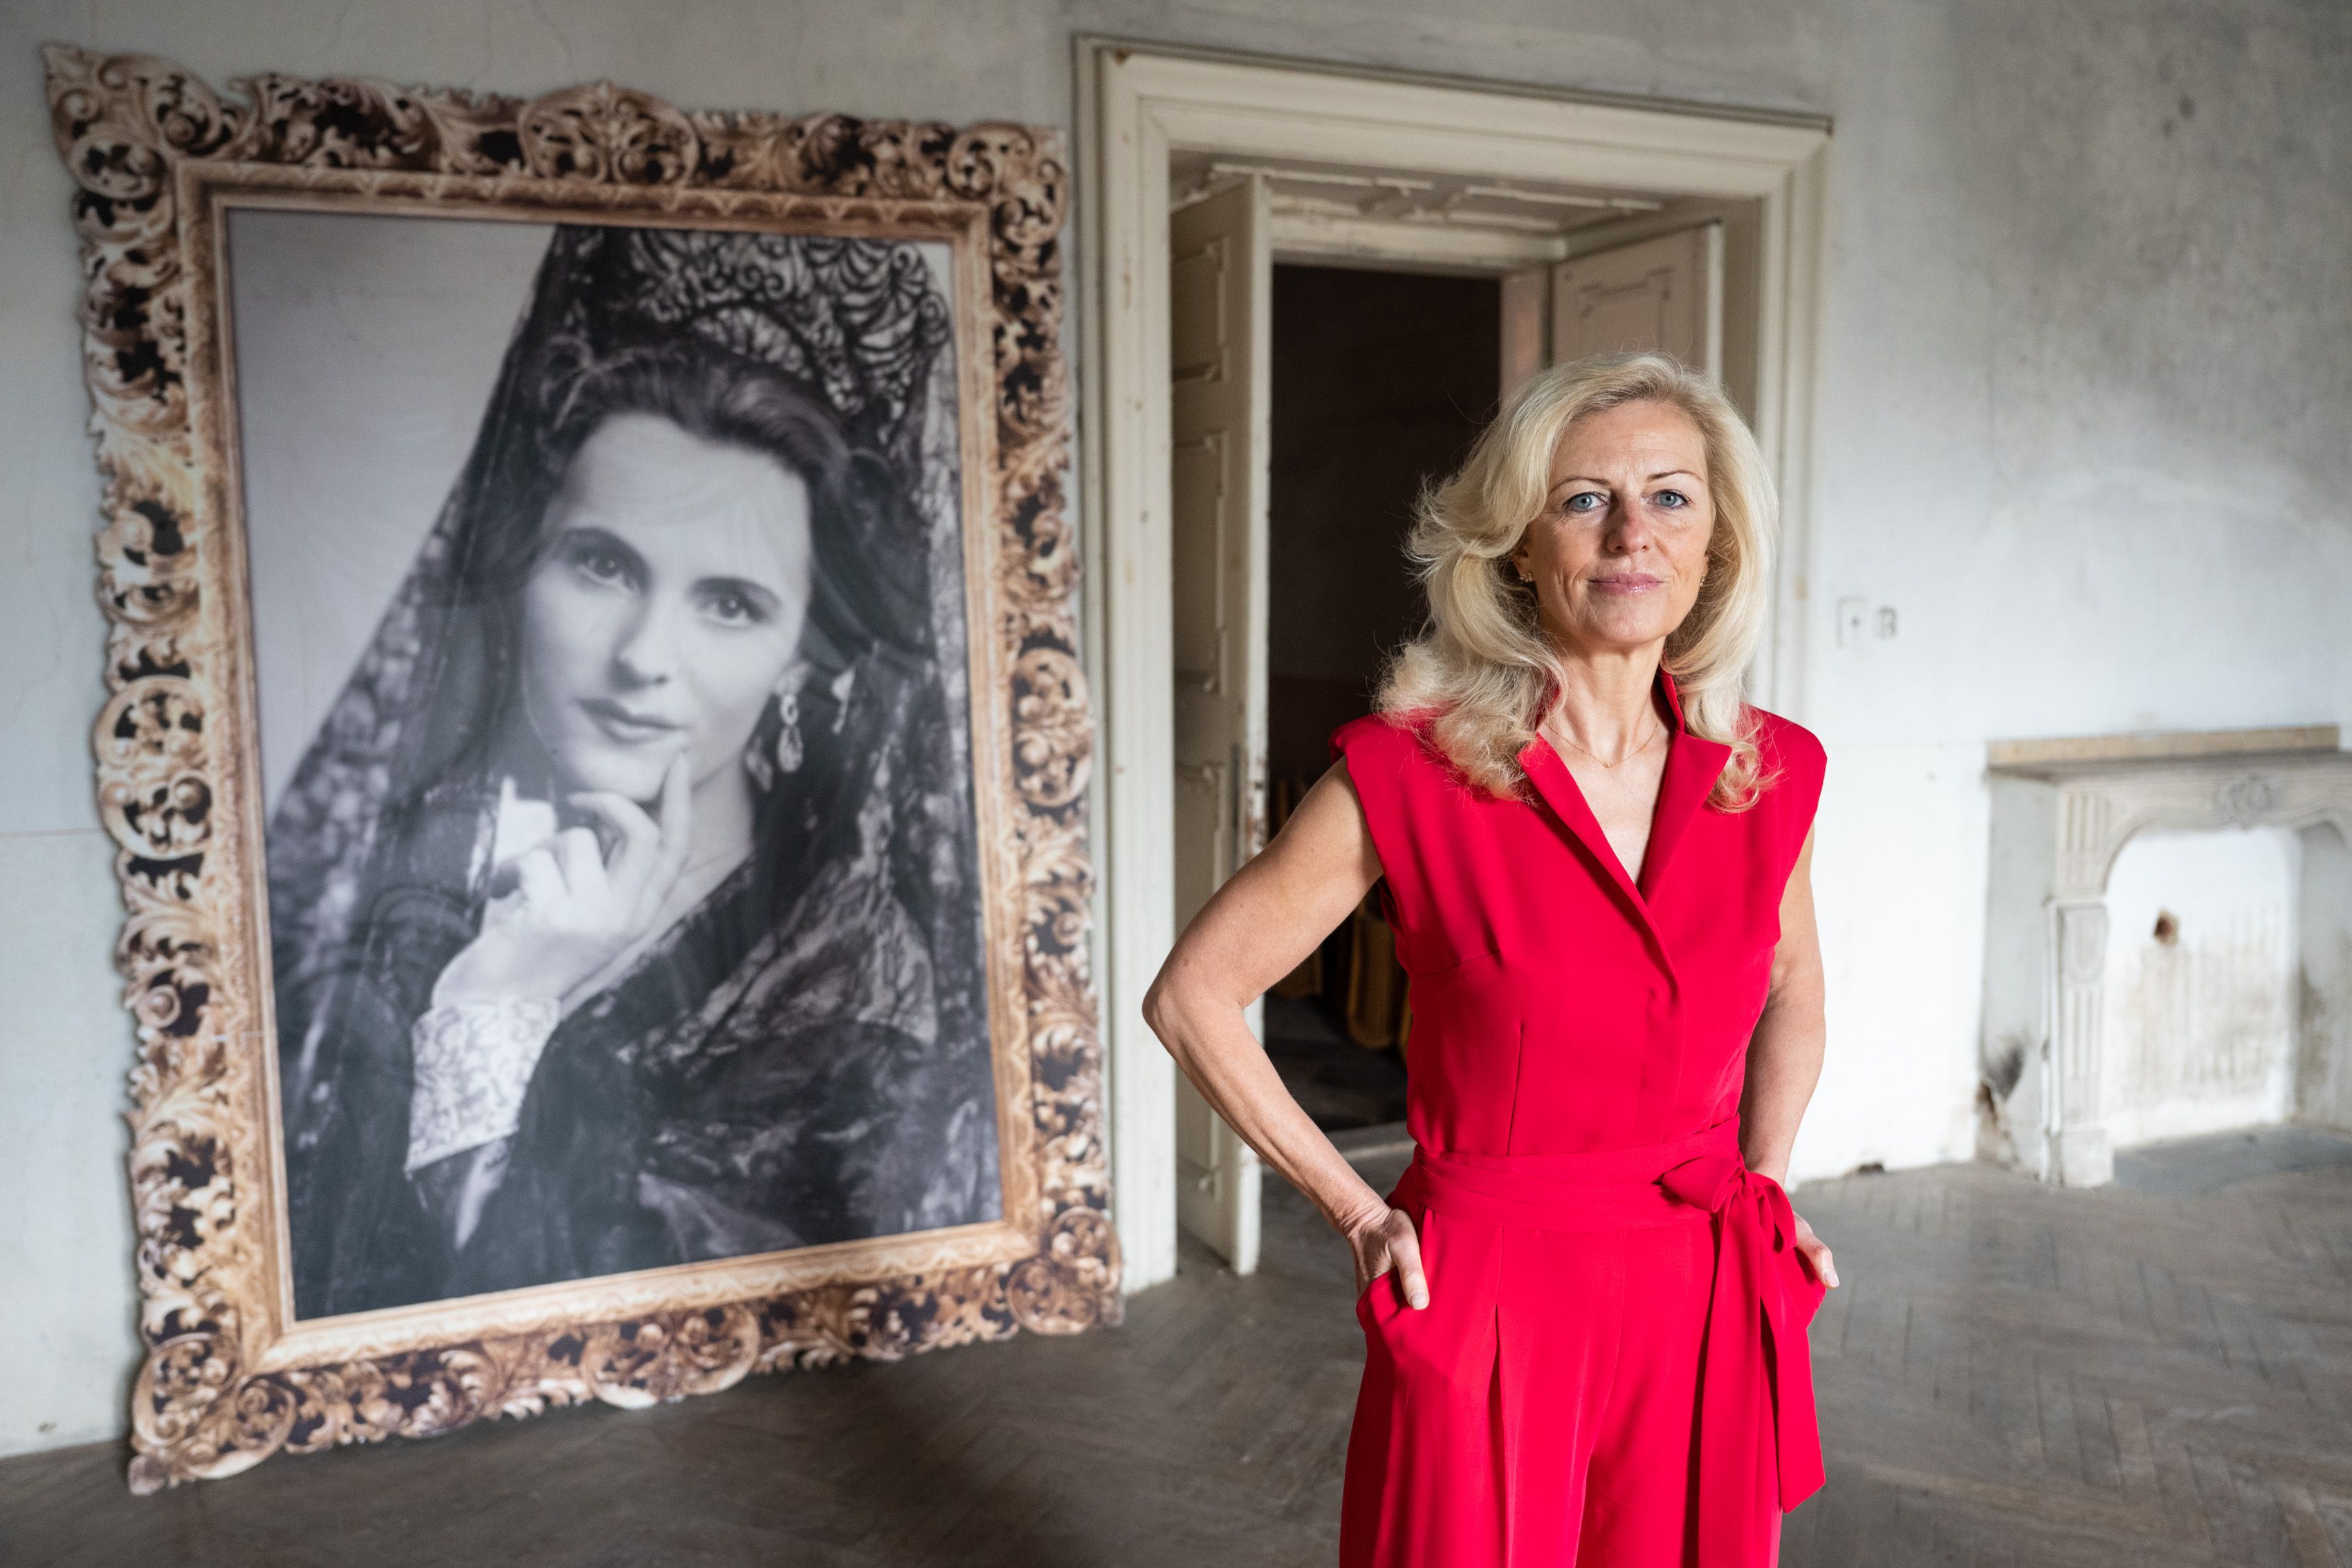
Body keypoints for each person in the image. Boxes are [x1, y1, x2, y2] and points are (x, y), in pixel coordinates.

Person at [1144, 351, 1837, 1566]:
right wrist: (1357, 1213)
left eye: (1671, 497)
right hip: (1492, 1290)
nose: (1632, 535)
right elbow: (1193, 996)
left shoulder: (1766, 772)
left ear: (1716, 541)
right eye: (1585, 500)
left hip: (1702, 1282)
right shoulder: (1411, 771)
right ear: (1518, 546)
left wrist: (1766, 1182)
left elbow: (1791, 985)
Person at [272, 228, 999, 1318]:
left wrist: (501, 1004)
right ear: (526, 568)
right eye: (604, 565)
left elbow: (576, 1328)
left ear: (804, 658)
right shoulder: (421, 867)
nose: (643, 657)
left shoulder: (843, 994)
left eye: (730, 604)